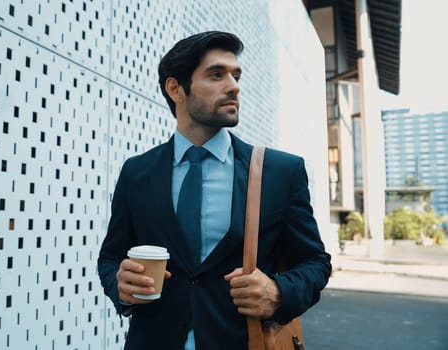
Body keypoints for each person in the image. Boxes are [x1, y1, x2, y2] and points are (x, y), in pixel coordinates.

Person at [97, 31, 332, 349]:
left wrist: (279, 292)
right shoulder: (137, 172)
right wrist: (119, 284)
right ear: (175, 88)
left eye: (236, 75)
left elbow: (315, 262)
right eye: (216, 75)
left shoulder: (280, 171)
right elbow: (111, 256)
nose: (234, 86)